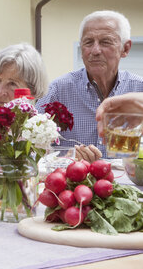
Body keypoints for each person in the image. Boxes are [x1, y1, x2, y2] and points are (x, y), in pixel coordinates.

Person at [36, 10, 143, 162]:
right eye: (88, 42)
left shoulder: (139, 90)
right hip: (74, 183)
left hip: (129, 184)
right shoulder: (58, 90)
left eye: (105, 42)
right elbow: (30, 149)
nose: (95, 50)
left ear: (125, 49)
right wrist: (67, 159)